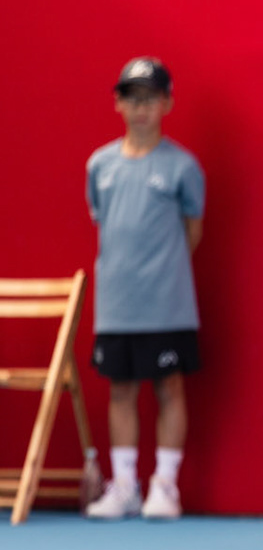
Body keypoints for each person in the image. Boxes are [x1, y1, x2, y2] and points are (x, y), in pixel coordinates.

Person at [83, 58, 206, 520]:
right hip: (117, 304)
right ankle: (124, 486)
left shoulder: (183, 167)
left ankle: (165, 486)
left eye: (151, 99)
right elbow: (103, 220)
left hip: (167, 304)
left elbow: (193, 231)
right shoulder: (100, 165)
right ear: (118, 104)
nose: (141, 109)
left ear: (167, 104)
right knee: (121, 388)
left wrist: (162, 272)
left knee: (169, 387)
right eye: (132, 99)